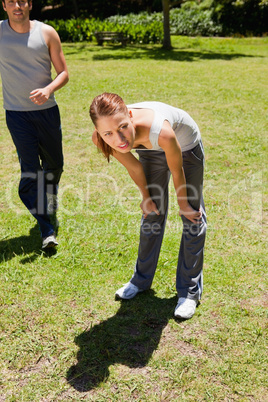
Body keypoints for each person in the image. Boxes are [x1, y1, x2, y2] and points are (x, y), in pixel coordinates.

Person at [89, 93, 207, 320]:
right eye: (108, 133)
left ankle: (189, 292)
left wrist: (183, 204)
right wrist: (146, 197)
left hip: (184, 145)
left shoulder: (161, 130)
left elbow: (177, 170)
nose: (119, 138)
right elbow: (134, 167)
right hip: (149, 148)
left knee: (192, 215)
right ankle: (140, 280)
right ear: (99, 132)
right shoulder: (103, 138)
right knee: (151, 212)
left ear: (130, 116)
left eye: (123, 127)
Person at [0, 0, 69, 249]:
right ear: (4, 6)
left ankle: (49, 199)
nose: (17, 5)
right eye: (11, 2)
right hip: (17, 116)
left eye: (22, 1)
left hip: (47, 113)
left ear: (29, 4)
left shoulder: (47, 32)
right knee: (30, 171)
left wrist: (48, 88)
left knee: (55, 165)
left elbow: (63, 73)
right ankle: (46, 229)